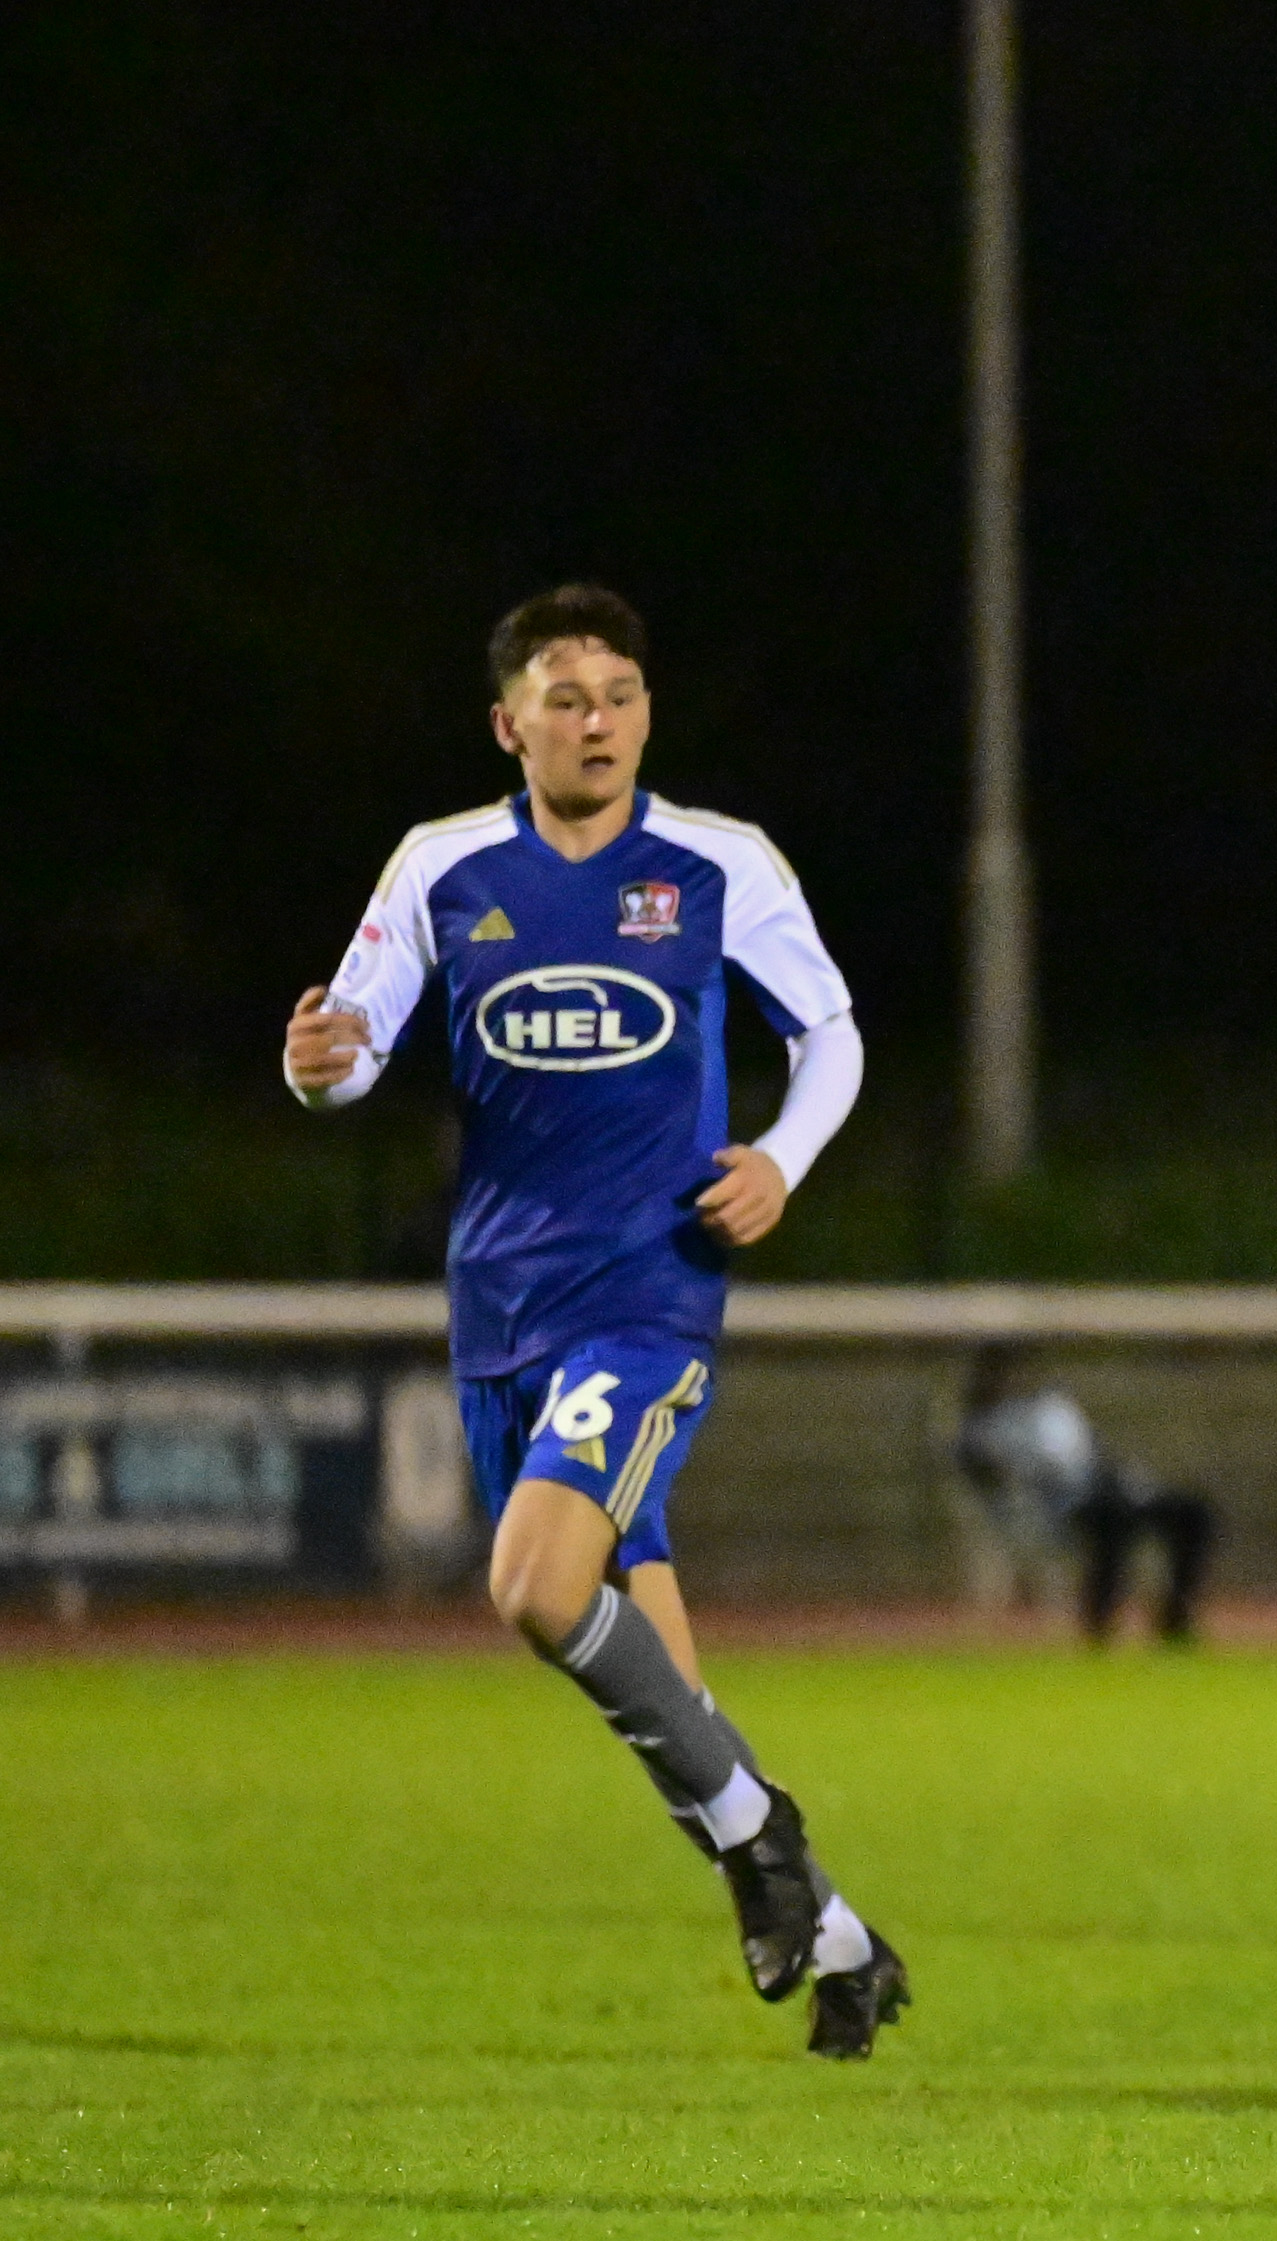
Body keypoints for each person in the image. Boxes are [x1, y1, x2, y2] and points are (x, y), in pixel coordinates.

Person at [280, 584, 908, 2056]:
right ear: (511, 725)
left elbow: (832, 1032)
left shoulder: (715, 863)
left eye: (621, 693)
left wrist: (779, 1159)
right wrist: (317, 1064)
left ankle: (769, 1850)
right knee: (655, 1679)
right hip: (499, 1304)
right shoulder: (444, 866)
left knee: (534, 1583)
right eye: (567, 698)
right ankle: (835, 1931)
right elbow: (351, 1053)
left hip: (648, 1292)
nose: (600, 720)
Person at [954, 1352, 1219, 1643]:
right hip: (1061, 1509)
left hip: (1108, 1492)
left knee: (1194, 1514)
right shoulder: (984, 1429)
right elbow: (1004, 1481)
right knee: (1114, 1519)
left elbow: (1095, 1455)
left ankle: (1175, 1614)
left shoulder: (1053, 1408)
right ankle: (1100, 1619)